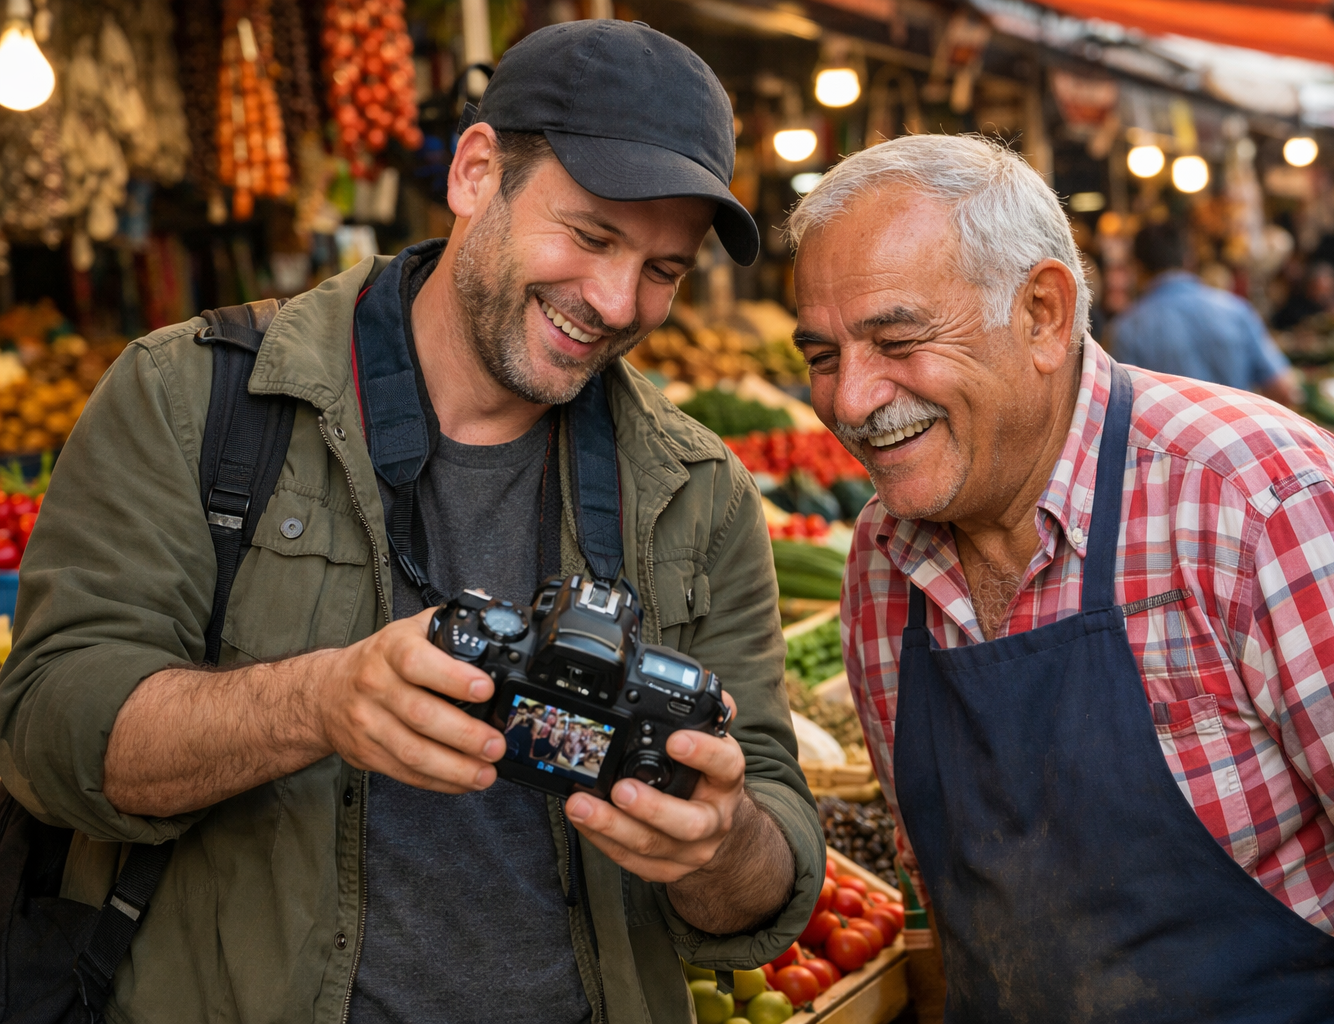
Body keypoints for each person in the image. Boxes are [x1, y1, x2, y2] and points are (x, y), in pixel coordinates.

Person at [0, 22, 822, 1024]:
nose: (616, 302)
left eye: (665, 268)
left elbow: (770, 865)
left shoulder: (703, 493)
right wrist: (316, 702)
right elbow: (43, 732)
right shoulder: (191, 398)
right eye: (593, 235)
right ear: (478, 171)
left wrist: (722, 840)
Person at [789, 134, 1334, 1024]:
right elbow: (961, 913)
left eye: (897, 339)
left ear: (1042, 314)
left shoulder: (1264, 500)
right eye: (823, 356)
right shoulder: (881, 562)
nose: (848, 400)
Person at [1111, 221, 1301, 405]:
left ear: (1136, 267)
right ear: (1189, 259)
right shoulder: (1235, 310)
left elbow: (1122, 409)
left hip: (1171, 438)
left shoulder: (1127, 330)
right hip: (1240, 435)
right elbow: (1284, 390)